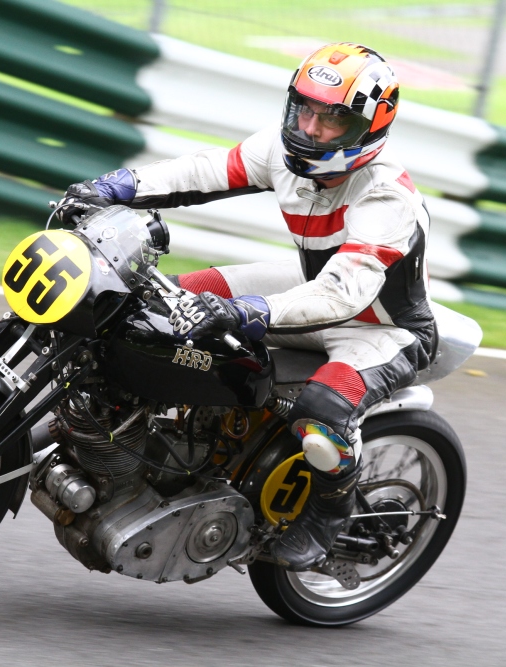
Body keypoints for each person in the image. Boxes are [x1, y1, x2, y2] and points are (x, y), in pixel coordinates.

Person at [56, 43, 436, 571]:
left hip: (377, 325)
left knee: (320, 418)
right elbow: (207, 169)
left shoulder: (387, 197)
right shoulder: (284, 153)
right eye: (305, 109)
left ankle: (327, 515)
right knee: (154, 304)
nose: (311, 129)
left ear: (369, 128)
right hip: (306, 285)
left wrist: (245, 312)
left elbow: (343, 294)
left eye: (333, 120)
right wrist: (117, 187)